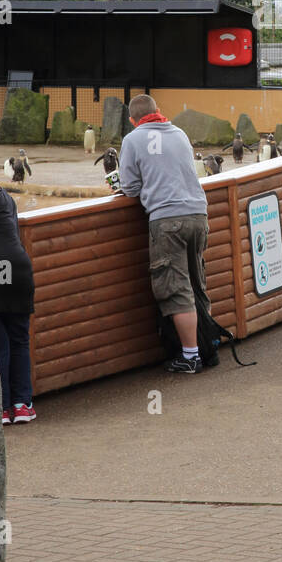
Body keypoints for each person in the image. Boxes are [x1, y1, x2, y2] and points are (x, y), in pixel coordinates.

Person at [118, 94, 210, 374]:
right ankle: (207, 345)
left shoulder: (132, 140)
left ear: (133, 121)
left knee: (175, 288)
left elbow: (130, 187)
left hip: (168, 220)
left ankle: (191, 356)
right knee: (196, 283)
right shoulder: (179, 133)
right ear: (159, 112)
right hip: (198, 214)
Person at [0, 180, 36, 425]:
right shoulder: (2, 194)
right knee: (19, 339)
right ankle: (23, 405)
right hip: (17, 267)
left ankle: (2, 408)